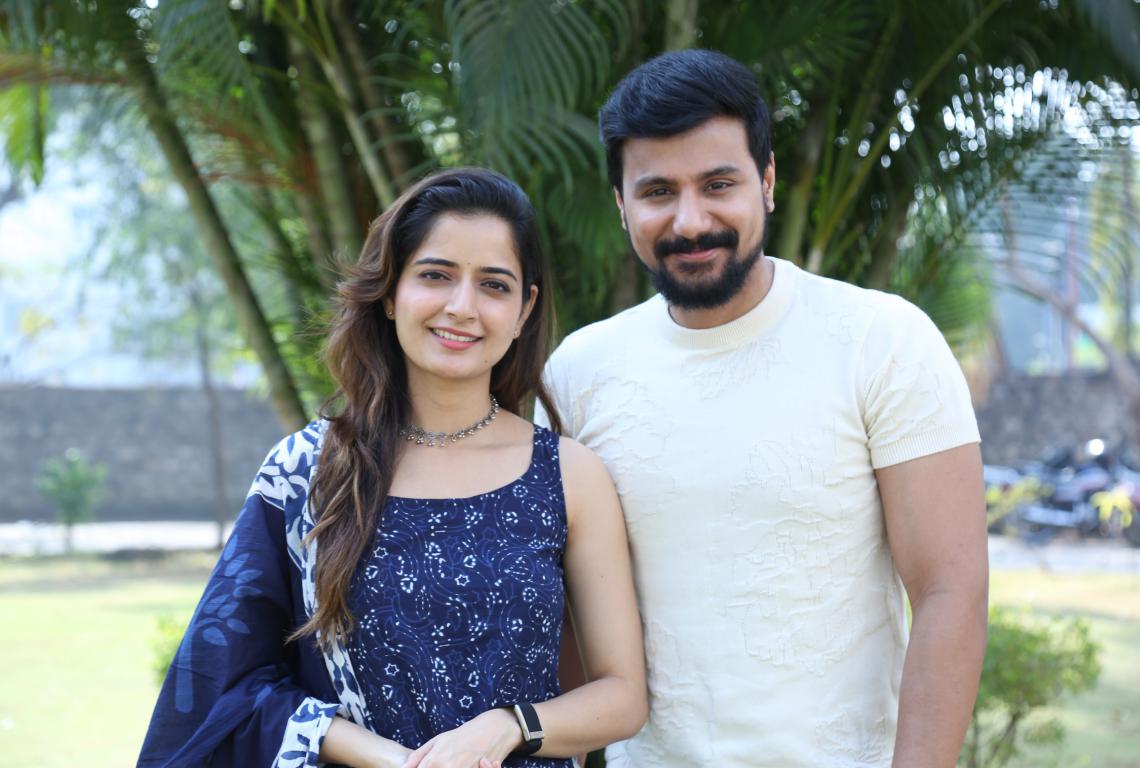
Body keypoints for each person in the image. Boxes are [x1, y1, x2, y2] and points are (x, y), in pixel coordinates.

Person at [538, 50, 988, 767]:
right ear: (620, 204)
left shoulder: (881, 341)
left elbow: (949, 591)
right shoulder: (576, 374)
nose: (691, 220)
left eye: (719, 184)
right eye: (657, 191)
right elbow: (560, 611)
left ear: (767, 182)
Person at [139, 168, 647, 768]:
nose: (462, 307)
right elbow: (228, 688)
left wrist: (506, 728)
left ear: (524, 309)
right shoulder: (306, 473)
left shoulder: (568, 475)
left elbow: (621, 695)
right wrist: (393, 760)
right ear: (390, 292)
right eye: (435, 275)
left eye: (494, 285)